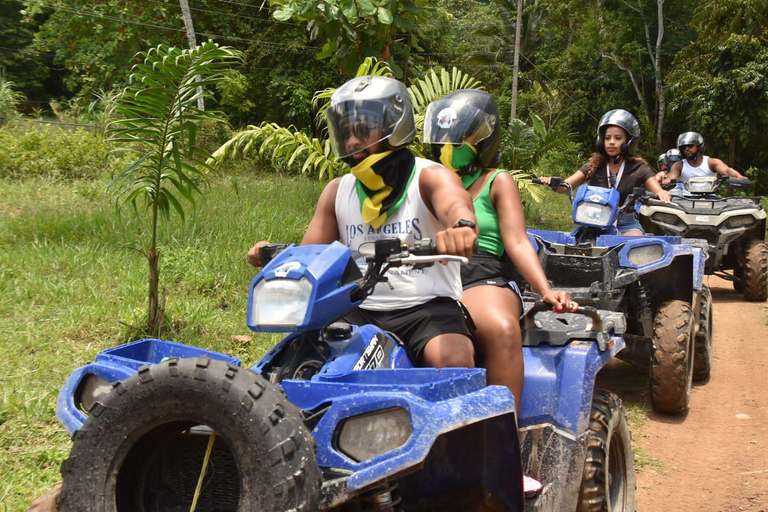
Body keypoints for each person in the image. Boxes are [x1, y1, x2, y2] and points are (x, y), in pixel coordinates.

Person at [247, 75, 479, 370]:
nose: (353, 140)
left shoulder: (430, 176)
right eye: (346, 133)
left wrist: (461, 228)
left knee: (453, 360)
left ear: (394, 126)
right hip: (355, 308)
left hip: (427, 308)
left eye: (363, 130)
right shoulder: (338, 190)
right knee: (296, 363)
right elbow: (310, 258)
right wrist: (273, 255)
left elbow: (456, 204)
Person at [422, 89, 576, 415]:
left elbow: (517, 241)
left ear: (483, 141)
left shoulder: (497, 180)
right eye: (445, 139)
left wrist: (544, 289)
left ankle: (504, 440)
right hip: (426, 268)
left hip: (481, 273)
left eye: (460, 138)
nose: (450, 147)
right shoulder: (424, 179)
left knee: (500, 329)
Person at [540, 109, 672, 235]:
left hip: (625, 222)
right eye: (607, 138)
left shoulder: (639, 168)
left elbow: (656, 189)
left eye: (618, 138)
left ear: (629, 141)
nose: (612, 142)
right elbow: (564, 187)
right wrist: (551, 182)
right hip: (593, 220)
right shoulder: (593, 166)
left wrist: (662, 193)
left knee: (635, 244)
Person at [663, 131, 744, 185]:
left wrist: (739, 177)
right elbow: (671, 178)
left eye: (690, 146)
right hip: (685, 199)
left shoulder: (711, 162)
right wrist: (667, 181)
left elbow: (727, 170)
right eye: (683, 147)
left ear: (699, 146)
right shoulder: (679, 165)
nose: (687, 149)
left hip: (710, 199)